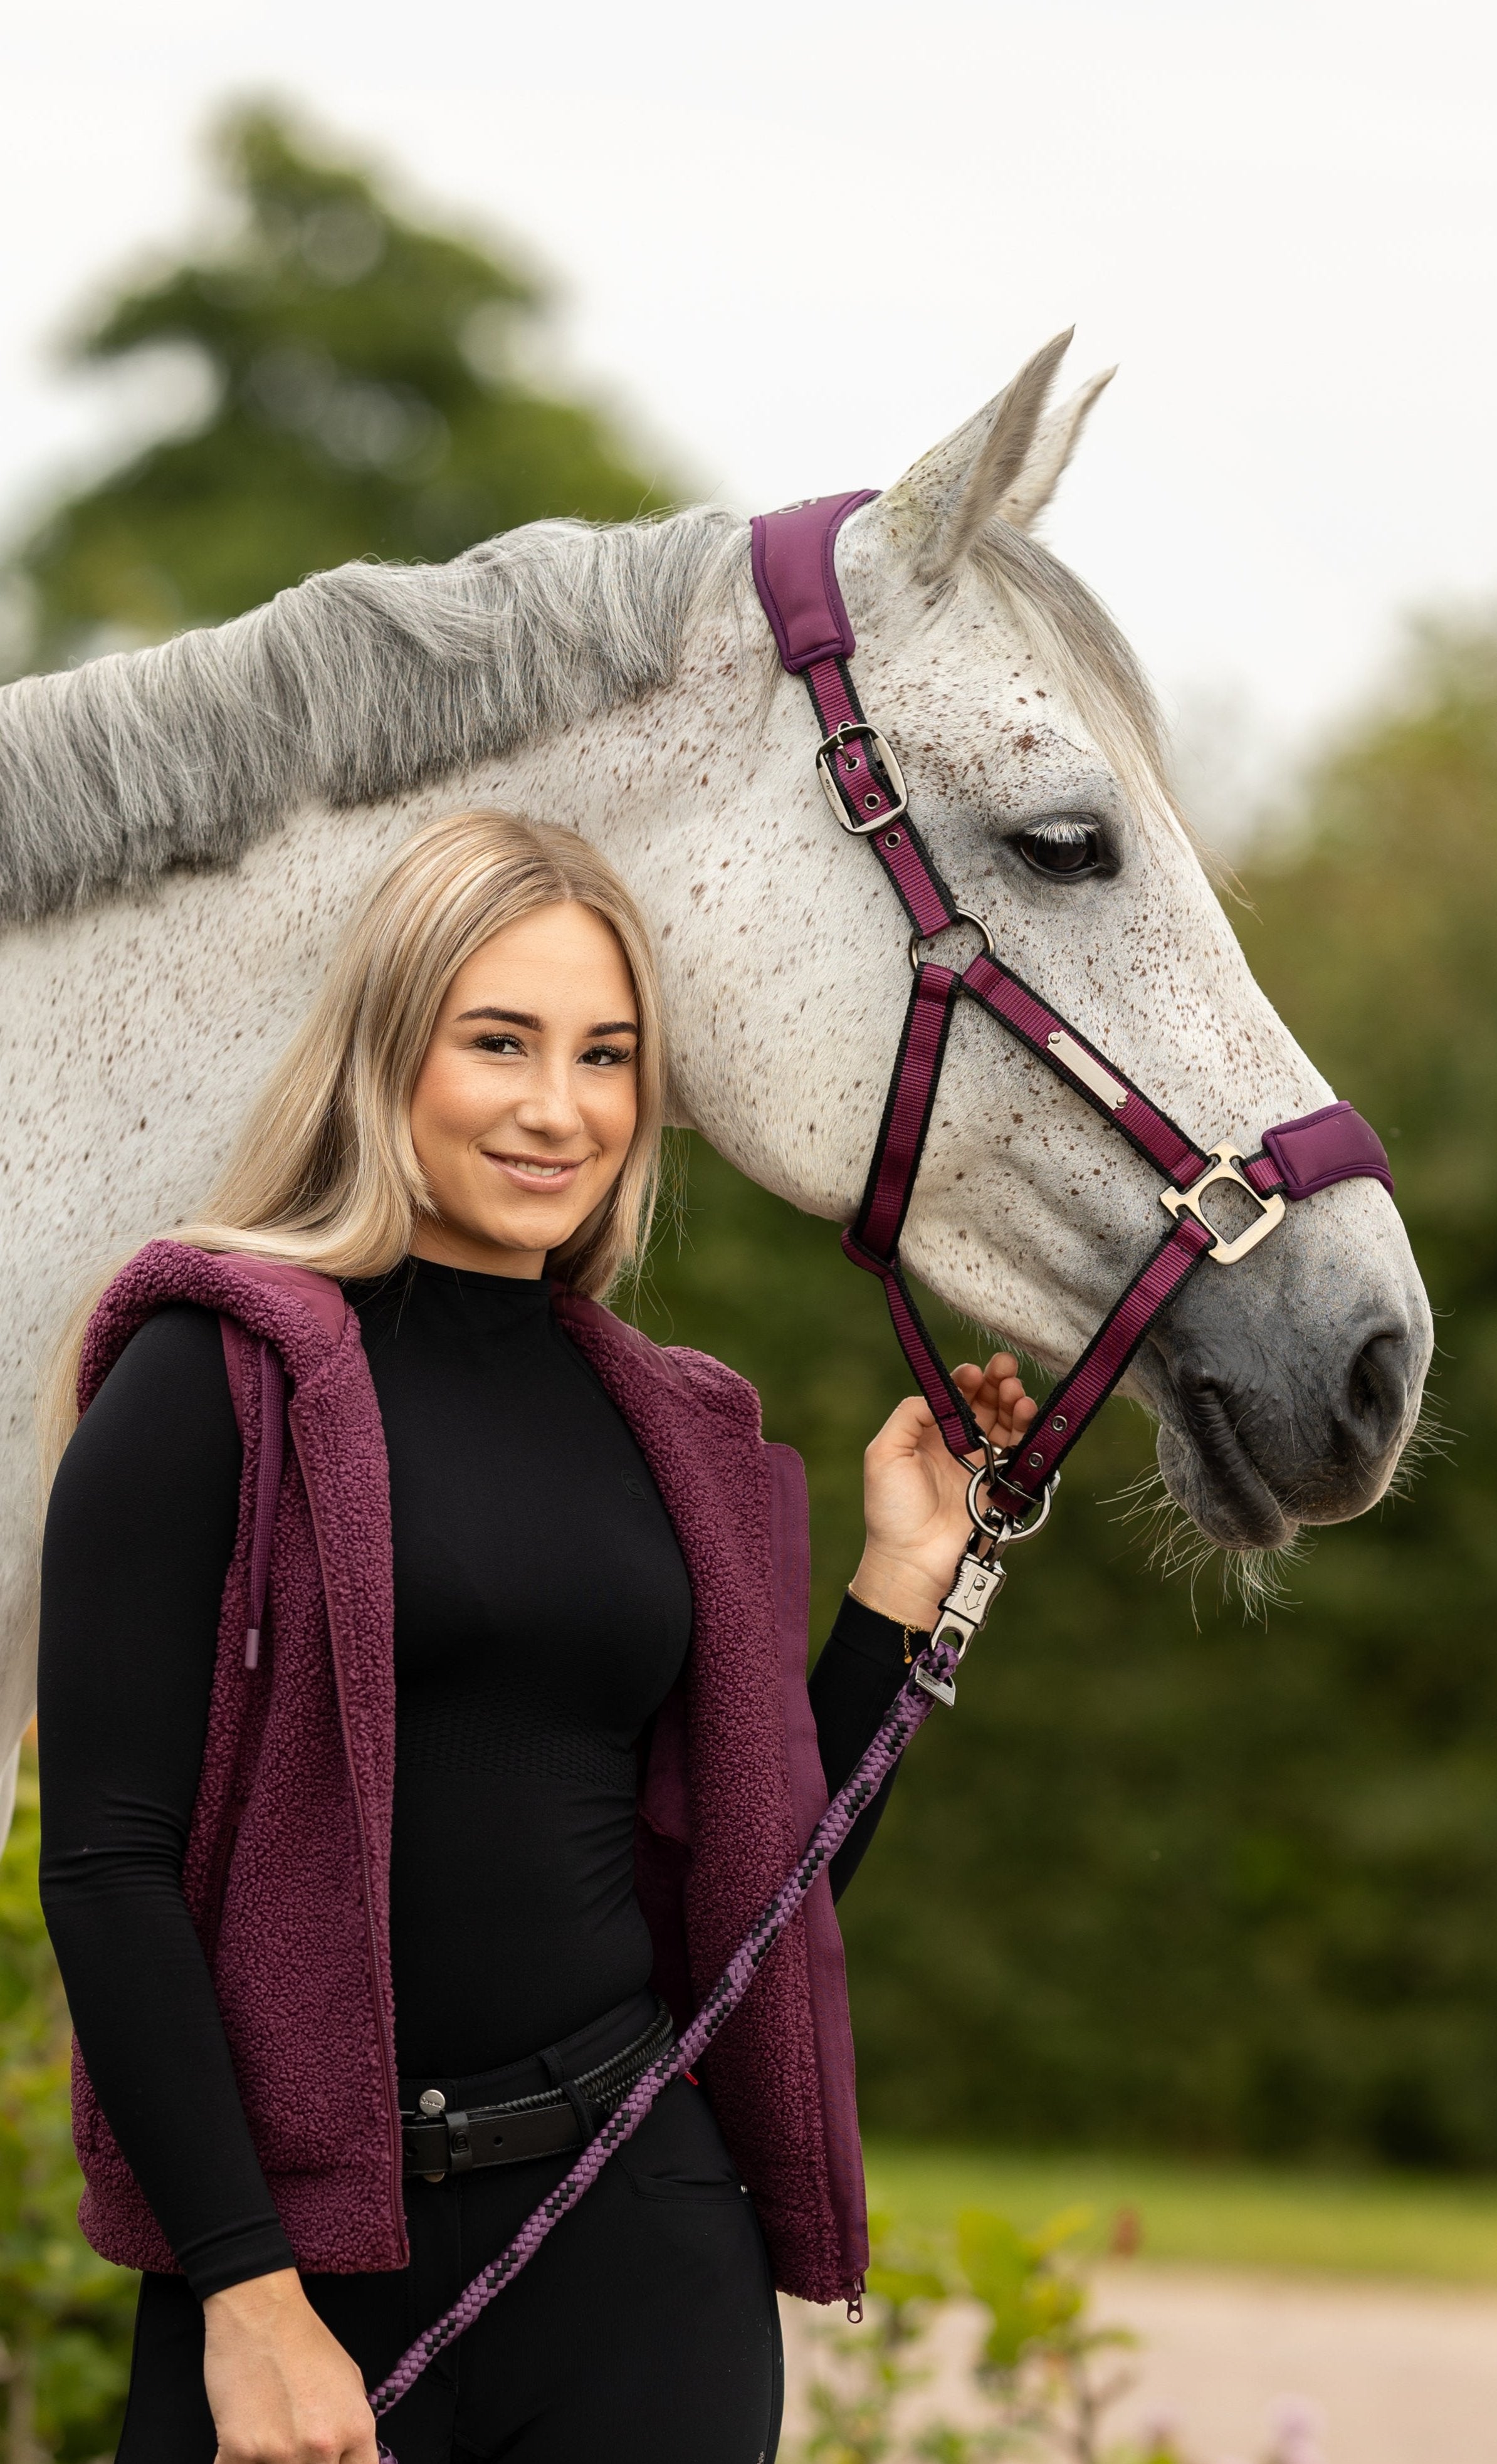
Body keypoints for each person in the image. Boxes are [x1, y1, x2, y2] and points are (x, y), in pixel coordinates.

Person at [35, 810, 1032, 2464]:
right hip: (306, 2272)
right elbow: (108, 1862)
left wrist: (901, 1584)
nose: (557, 1106)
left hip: (634, 2241)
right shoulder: (209, 1373)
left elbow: (749, 1891)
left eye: (606, 1054)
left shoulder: (670, 1423)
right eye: (500, 1040)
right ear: (390, 1046)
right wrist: (246, 2293)